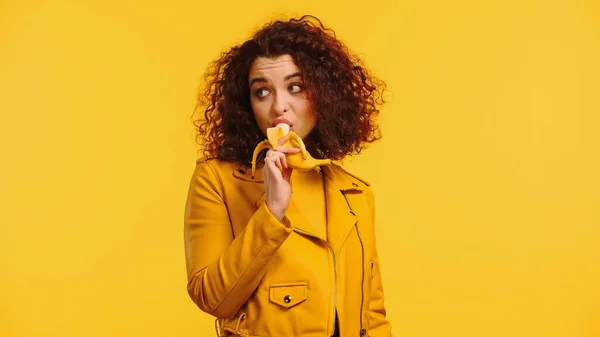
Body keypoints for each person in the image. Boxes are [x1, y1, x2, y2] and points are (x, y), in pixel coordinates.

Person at [184, 14, 392, 337]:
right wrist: (271, 212)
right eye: (262, 92)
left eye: (295, 87)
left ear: (323, 93)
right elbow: (213, 298)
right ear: (245, 104)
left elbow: (373, 316)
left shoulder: (354, 193)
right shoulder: (216, 180)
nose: (280, 106)